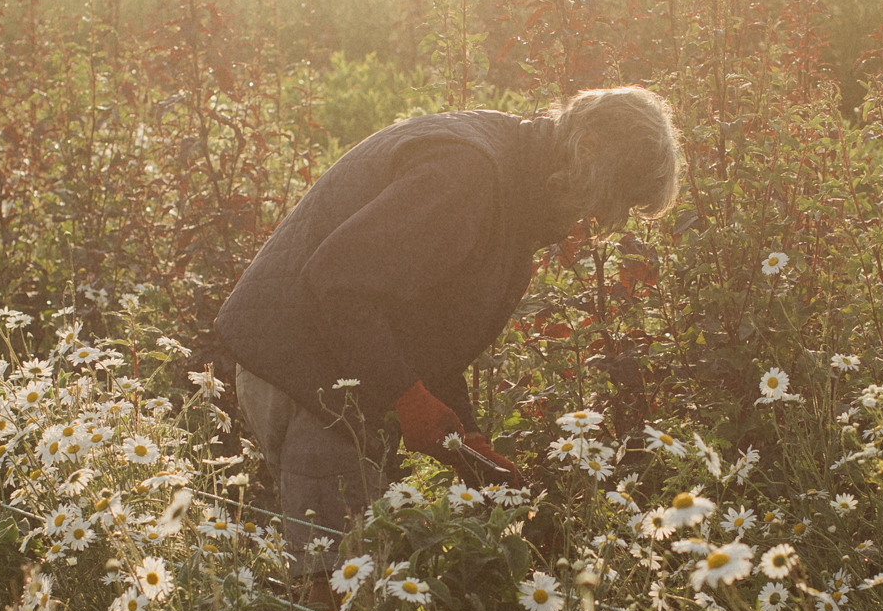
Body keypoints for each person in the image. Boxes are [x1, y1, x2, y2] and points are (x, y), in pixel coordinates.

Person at [216, 86, 679, 562]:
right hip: (304, 369)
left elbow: (425, 324)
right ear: (588, 149)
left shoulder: (516, 175)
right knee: (340, 579)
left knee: (363, 573)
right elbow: (339, 284)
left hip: (333, 363)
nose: (601, 216)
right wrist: (407, 398)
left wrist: (466, 437)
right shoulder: (469, 174)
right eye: (613, 196)